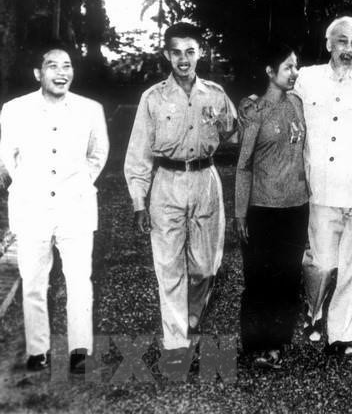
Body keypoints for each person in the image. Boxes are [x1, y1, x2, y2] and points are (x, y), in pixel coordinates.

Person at [124, 22, 237, 365]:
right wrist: (139, 203)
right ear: (167, 55)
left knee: (205, 267)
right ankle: (175, 343)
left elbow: (233, 139)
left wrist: (233, 128)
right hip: (167, 183)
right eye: (177, 52)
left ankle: (189, 317)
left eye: (190, 51)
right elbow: (138, 154)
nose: (184, 59)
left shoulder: (216, 95)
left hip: (205, 179)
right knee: (169, 266)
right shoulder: (153, 98)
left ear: (200, 53)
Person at [0, 43, 109, 373]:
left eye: (67, 66)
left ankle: (79, 352)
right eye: (53, 66)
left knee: (79, 280)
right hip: (31, 208)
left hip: (75, 208)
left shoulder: (90, 109)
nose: (62, 73)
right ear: (38, 73)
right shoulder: (14, 109)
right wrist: (30, 187)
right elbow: (9, 157)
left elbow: (98, 154)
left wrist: (77, 184)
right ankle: (38, 350)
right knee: (33, 281)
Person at [296, 15, 352, 357]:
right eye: (342, 41)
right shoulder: (305, 78)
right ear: (328, 43)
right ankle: (313, 311)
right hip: (319, 187)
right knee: (321, 263)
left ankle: (343, 335)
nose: (348, 49)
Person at [234, 44, 309, 369]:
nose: (294, 73)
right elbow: (244, 165)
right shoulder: (254, 111)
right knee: (258, 280)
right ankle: (254, 345)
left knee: (288, 279)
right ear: (269, 71)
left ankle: (277, 345)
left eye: (296, 67)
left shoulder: (297, 103)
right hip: (262, 208)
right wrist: (240, 212)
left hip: (296, 207)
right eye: (288, 67)